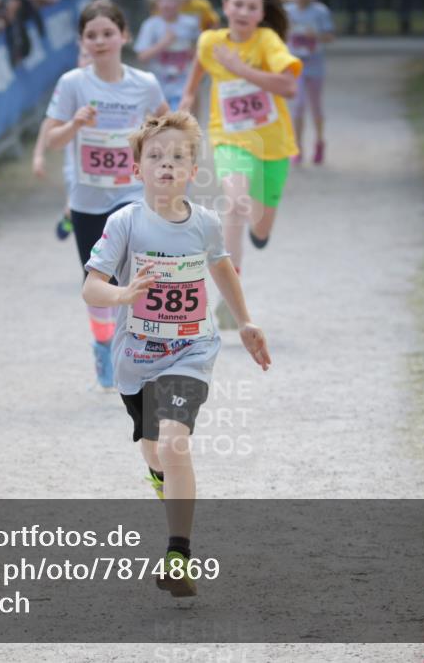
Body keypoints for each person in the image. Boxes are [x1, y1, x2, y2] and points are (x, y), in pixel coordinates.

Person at [82, 111, 270, 597]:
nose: (167, 165)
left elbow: (223, 268)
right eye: (156, 157)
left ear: (193, 170)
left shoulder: (205, 223)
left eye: (179, 157)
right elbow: (91, 289)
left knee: (173, 442)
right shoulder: (125, 222)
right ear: (137, 169)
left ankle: (178, 554)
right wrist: (123, 295)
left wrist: (245, 321)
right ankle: (161, 479)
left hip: (191, 350)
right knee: (154, 450)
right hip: (137, 358)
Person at [39, 0, 168, 389]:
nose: (100, 41)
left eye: (107, 33)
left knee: (138, 274)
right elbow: (53, 140)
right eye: (91, 35)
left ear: (124, 36)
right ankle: (102, 345)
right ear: (82, 40)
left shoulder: (144, 84)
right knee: (97, 283)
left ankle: (139, 346)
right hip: (87, 200)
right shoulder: (73, 84)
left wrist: (155, 142)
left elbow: (166, 124)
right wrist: (75, 124)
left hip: (130, 196)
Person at [179, 0, 300, 328]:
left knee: (260, 228)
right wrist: (178, 128)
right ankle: (232, 293)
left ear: (262, 13)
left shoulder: (267, 41)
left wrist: (240, 69)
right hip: (230, 139)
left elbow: (288, 86)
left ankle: (260, 234)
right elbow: (191, 89)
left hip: (273, 145)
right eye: (238, 4)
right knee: (234, 202)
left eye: (252, 6)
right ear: (226, 6)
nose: (244, 12)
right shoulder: (209, 42)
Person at [31, 43, 90, 242]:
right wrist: (38, 155)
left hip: (108, 169)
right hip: (75, 163)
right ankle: (69, 215)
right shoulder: (70, 86)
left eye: (92, 56)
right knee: (77, 199)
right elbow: (48, 124)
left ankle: (69, 215)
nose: (88, 60)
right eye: (84, 56)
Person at [284, 0, 334, 165]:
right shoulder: (287, 11)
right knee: (298, 106)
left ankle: (319, 142)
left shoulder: (320, 11)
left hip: (315, 64)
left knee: (315, 106)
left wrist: (315, 36)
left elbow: (330, 36)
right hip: (294, 65)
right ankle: (297, 148)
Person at [134, 0, 201, 111]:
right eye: (162, 0)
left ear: (181, 2)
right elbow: (142, 56)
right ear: (156, 3)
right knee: (164, 125)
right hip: (158, 88)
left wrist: (193, 52)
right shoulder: (150, 25)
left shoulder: (191, 23)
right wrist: (163, 44)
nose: (167, 5)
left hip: (184, 85)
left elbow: (199, 53)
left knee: (182, 122)